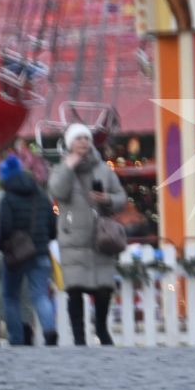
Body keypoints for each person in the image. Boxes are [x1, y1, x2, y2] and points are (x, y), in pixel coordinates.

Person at [49, 123, 126, 346]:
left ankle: (102, 330)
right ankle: (79, 337)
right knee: (75, 289)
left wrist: (108, 199)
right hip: (73, 238)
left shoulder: (103, 169)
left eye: (86, 138)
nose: (83, 141)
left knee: (104, 289)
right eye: (78, 138)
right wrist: (68, 167)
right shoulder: (62, 167)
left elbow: (121, 197)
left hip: (100, 238)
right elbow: (57, 191)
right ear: (70, 143)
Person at [0, 153, 59, 345]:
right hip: (40, 253)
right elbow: (53, 226)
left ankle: (17, 339)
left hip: (17, 254)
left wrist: (2, 244)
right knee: (40, 295)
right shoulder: (41, 194)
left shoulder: (7, 198)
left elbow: (5, 227)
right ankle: (49, 333)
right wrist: (42, 241)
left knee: (11, 296)